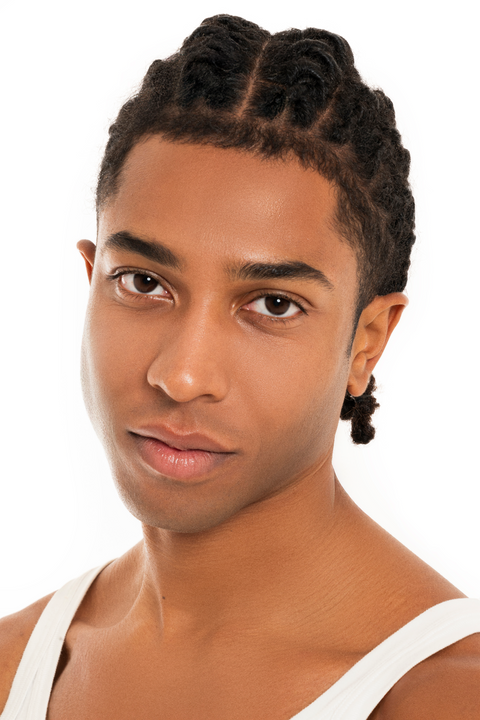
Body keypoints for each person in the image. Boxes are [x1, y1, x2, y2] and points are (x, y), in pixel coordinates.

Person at [1, 13, 479, 720]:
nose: (183, 376)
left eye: (273, 305)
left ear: (367, 343)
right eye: (143, 283)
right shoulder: (16, 666)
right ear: (91, 277)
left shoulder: (447, 695)